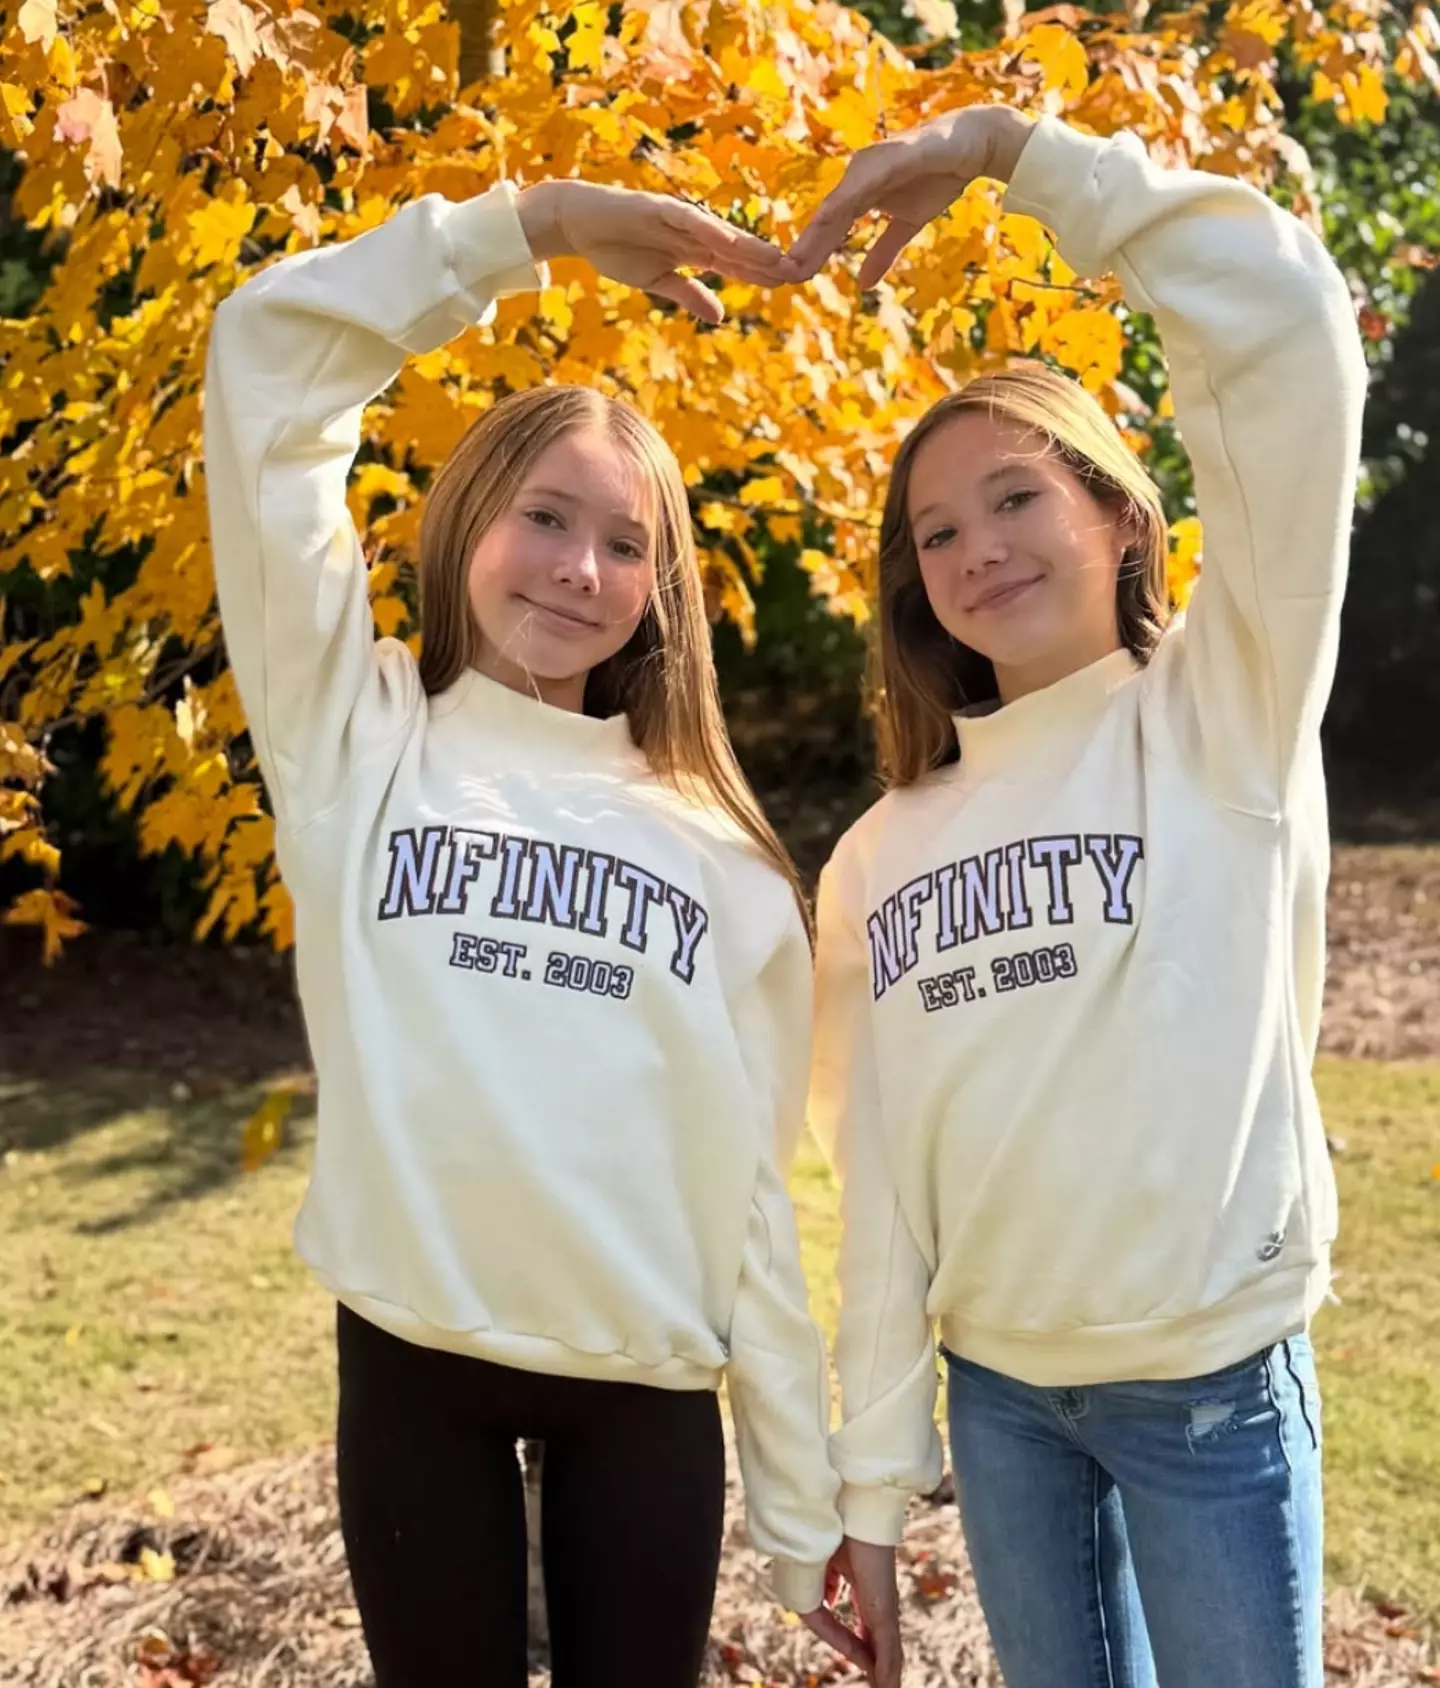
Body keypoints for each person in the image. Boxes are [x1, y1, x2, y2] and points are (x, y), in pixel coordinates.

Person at [202, 176, 858, 1687]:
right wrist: (532, 227)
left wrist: (804, 1502)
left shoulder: (722, 855)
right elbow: (266, 360)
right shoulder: (354, 736)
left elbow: (747, 1198)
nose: (578, 569)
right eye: (545, 518)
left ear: (660, 593)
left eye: (625, 546)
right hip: (416, 1369)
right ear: (467, 521)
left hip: (643, 1391)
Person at [798, 101, 1365, 1688]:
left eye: (1016, 498)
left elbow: (1287, 329)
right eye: (935, 532)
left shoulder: (1222, 708)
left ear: (1122, 510)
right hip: (1002, 1407)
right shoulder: (877, 856)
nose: (974, 548)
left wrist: (1007, 150)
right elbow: (883, 1194)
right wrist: (870, 1485)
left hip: (1210, 1394)